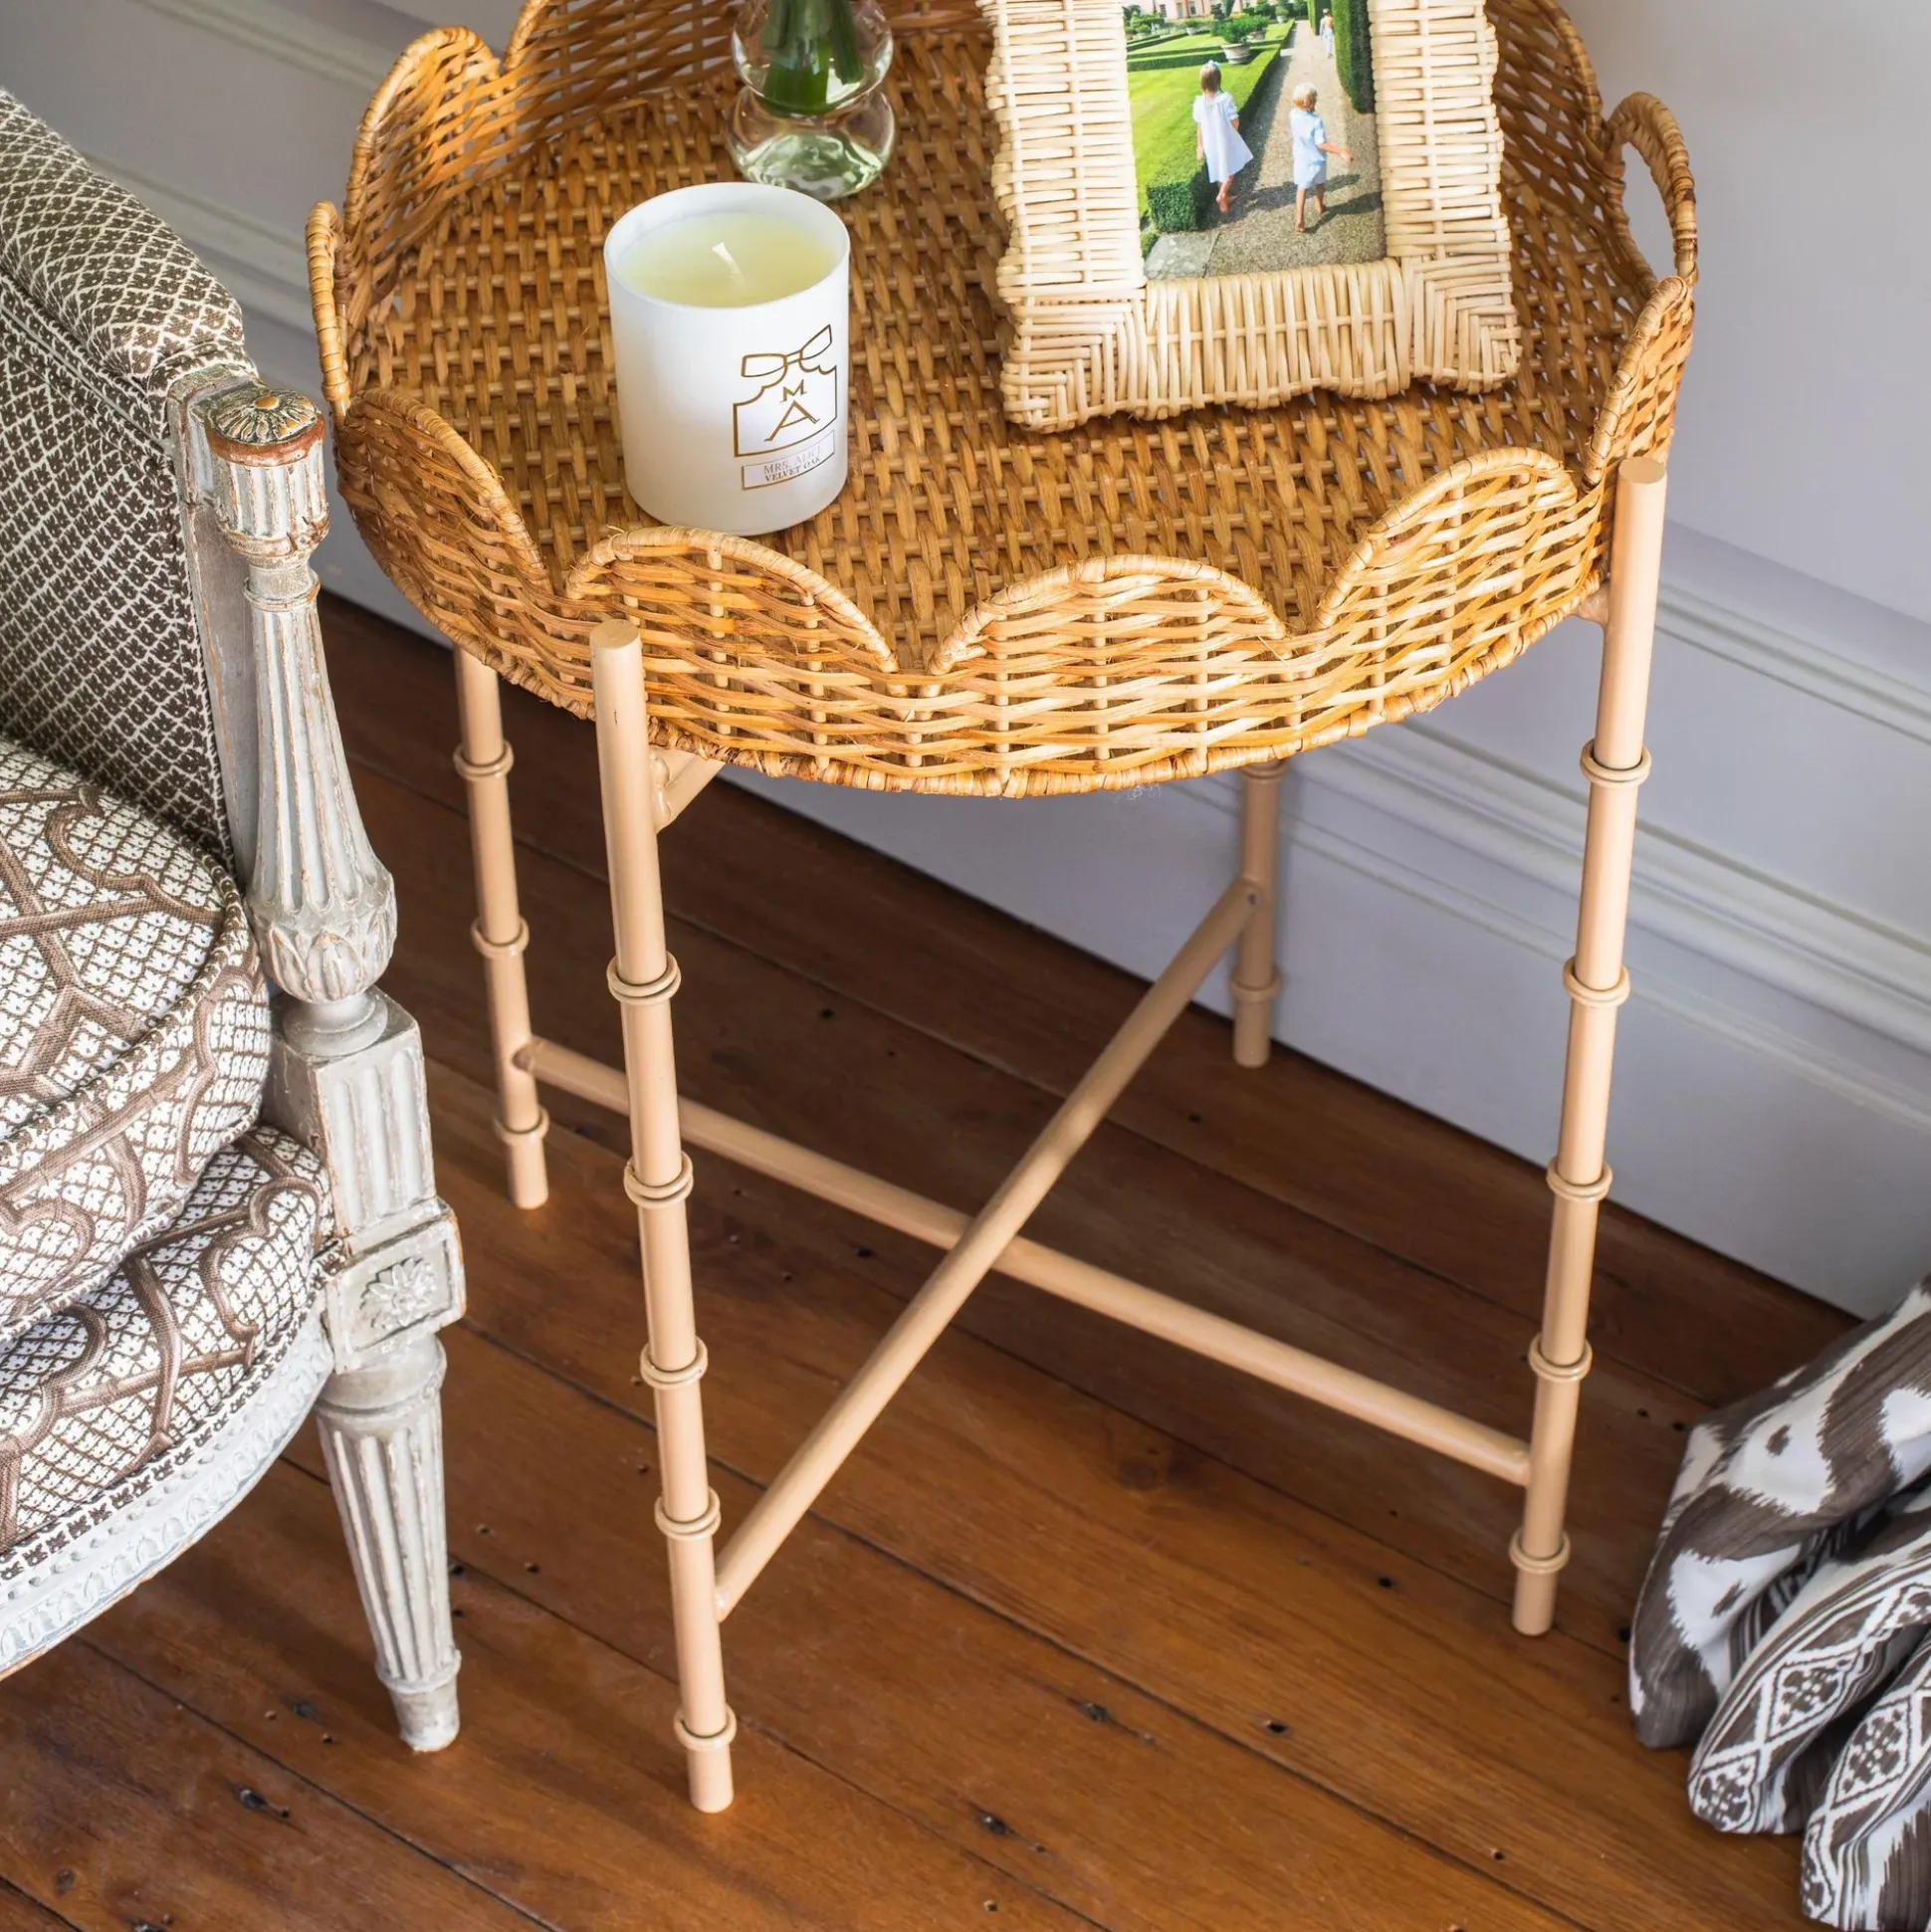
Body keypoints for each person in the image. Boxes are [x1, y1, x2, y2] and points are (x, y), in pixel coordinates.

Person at [1193, 62, 1254, 216]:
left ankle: (1224, 200)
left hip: (1210, 142)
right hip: (1225, 140)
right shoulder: (1225, 99)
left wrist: (1200, 145)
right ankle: (1221, 195)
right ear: (1218, 80)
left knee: (1218, 169)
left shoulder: (1199, 102)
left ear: (1202, 82)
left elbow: (1200, 125)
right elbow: (1235, 121)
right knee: (1230, 168)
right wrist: (1232, 133)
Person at [1288, 82, 1351, 230]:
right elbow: (1321, 143)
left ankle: (1299, 219)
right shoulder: (1316, 121)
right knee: (1320, 184)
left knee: (1302, 188)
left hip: (1301, 159)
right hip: (1317, 160)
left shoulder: (1293, 114)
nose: (1316, 101)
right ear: (1309, 102)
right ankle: (1320, 205)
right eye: (1314, 99)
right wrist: (1340, 151)